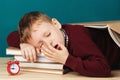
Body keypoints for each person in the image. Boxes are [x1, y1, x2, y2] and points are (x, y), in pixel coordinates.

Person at [7, 11, 120, 77]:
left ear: (56, 24)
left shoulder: (77, 39)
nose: (48, 43)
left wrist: (67, 59)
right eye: (40, 45)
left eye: (48, 35)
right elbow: (11, 36)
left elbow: (104, 68)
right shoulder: (54, 34)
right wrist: (24, 44)